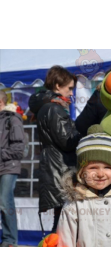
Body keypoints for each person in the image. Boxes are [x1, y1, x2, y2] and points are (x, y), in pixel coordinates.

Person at [56, 127, 111, 247]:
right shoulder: (74, 205)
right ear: (81, 173)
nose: (101, 174)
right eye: (93, 168)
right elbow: (65, 241)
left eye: (107, 167)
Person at [28, 66, 82, 233]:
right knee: (64, 221)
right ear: (58, 86)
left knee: (62, 217)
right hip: (60, 167)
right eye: (70, 88)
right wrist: (83, 132)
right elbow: (66, 141)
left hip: (54, 165)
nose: (72, 93)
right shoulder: (54, 108)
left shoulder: (48, 106)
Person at [0, 91, 25, 247]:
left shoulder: (13, 119)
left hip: (9, 166)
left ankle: (10, 240)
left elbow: (18, 150)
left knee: (4, 200)